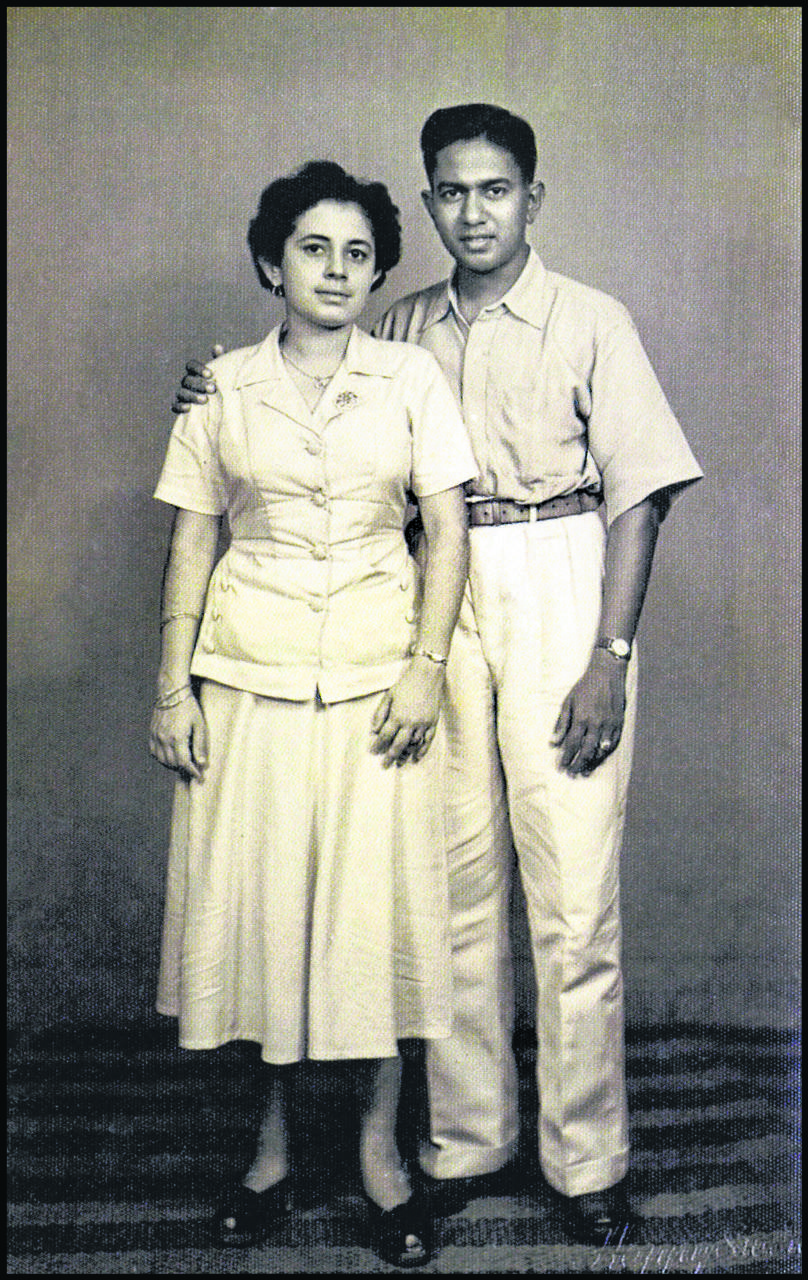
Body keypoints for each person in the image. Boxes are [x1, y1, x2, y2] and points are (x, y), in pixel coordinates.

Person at [171, 106, 703, 1247]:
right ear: (426, 204)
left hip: (561, 580)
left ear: (532, 199)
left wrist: (606, 655)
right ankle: (465, 1142)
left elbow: (641, 494)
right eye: (451, 192)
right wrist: (203, 388)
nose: (473, 212)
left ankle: (586, 1161)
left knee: (571, 898)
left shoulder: (591, 319)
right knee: (450, 886)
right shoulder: (399, 323)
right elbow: (301, 388)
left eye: (495, 190)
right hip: (434, 594)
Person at [149, 159, 477, 1268]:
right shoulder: (222, 389)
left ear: (379, 270)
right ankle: (274, 1150)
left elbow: (446, 524)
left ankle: (381, 1154)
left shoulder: (413, 381)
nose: (335, 270)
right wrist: (171, 686)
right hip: (251, 676)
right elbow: (194, 535)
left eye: (356, 253)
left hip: (383, 684)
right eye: (310, 248)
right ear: (268, 262)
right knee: (272, 918)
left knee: (380, 924)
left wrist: (426, 665)